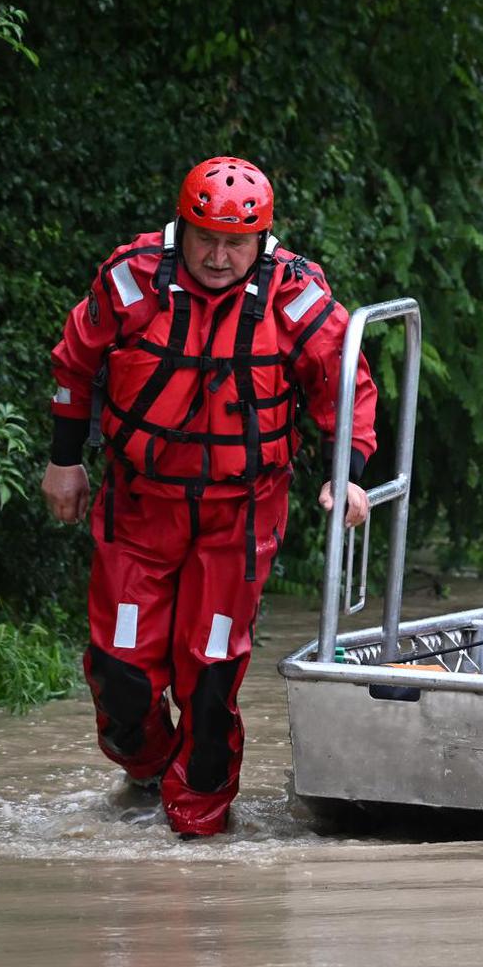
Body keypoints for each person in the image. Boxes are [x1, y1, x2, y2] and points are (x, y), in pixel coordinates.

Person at [40, 156, 378, 838]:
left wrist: (351, 471)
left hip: (241, 517)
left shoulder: (294, 297)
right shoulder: (132, 280)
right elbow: (75, 363)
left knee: (211, 672)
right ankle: (146, 771)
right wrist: (64, 462)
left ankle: (197, 840)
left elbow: (348, 387)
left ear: (261, 242)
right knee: (121, 670)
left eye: (236, 243)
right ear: (183, 227)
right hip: (140, 507)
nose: (219, 257)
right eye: (206, 239)